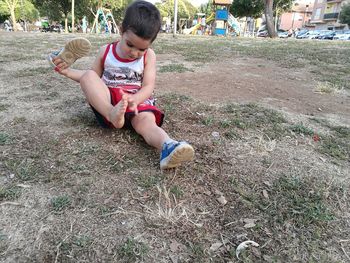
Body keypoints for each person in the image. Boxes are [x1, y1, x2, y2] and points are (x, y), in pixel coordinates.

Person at [50, 0, 195, 170]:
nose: (134, 53)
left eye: (141, 49)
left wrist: (135, 99)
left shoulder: (149, 56)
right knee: (89, 75)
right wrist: (67, 72)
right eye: (130, 44)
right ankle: (111, 114)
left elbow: (148, 86)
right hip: (108, 104)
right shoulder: (106, 51)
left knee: (146, 123)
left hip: (136, 104)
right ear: (121, 30)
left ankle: (167, 146)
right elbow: (92, 79)